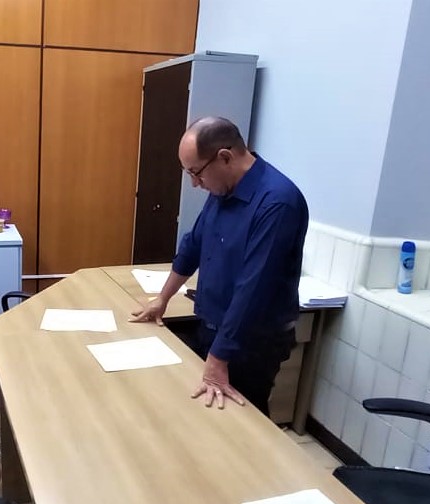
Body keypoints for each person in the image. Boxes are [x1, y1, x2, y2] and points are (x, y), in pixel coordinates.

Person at [129, 117, 308, 417]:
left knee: (241, 420)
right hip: (214, 328)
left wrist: (219, 357)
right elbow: (194, 245)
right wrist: (162, 298)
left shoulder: (277, 203)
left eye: (196, 173)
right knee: (206, 414)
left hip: (251, 342)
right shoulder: (223, 189)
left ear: (224, 157)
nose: (195, 183)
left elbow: (254, 289)